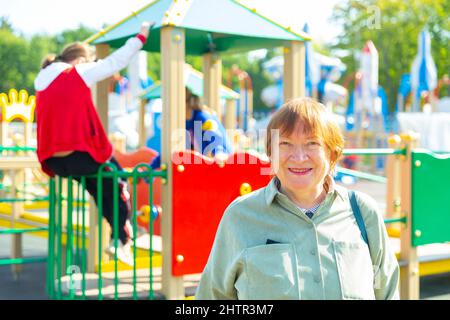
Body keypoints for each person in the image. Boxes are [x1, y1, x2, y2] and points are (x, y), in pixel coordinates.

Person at [195, 97, 399, 300]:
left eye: (312, 143)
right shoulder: (239, 217)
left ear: (332, 155)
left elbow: (386, 290)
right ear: (270, 153)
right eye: (285, 143)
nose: (299, 157)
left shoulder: (363, 213)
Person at [34, 22, 153, 266]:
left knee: (101, 189)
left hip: (56, 161)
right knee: (119, 182)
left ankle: (117, 238)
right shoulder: (75, 72)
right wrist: (140, 38)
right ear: (80, 60)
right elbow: (114, 62)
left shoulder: (41, 79)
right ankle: (122, 241)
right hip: (79, 154)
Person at [149, 87, 233, 169]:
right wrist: (150, 168)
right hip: (207, 166)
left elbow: (215, 137)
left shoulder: (202, 117)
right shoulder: (184, 124)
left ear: (184, 104)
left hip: (223, 163)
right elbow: (171, 148)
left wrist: (219, 152)